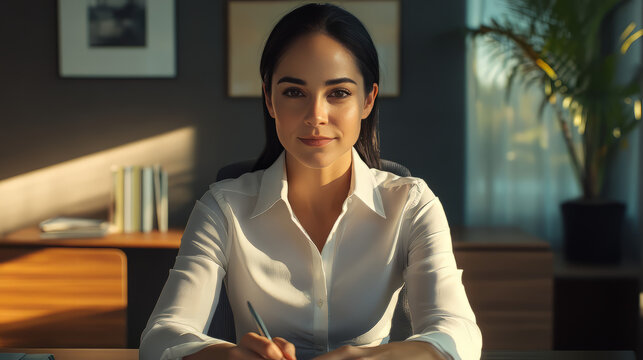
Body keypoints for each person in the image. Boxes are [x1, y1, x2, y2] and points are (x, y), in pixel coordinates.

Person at [139, 3, 482, 360]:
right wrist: (228, 357)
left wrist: (367, 358)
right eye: (293, 92)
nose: (316, 115)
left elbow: (459, 334)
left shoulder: (411, 204)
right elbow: (162, 336)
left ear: (367, 100)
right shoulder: (223, 208)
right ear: (270, 99)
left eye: (338, 93)